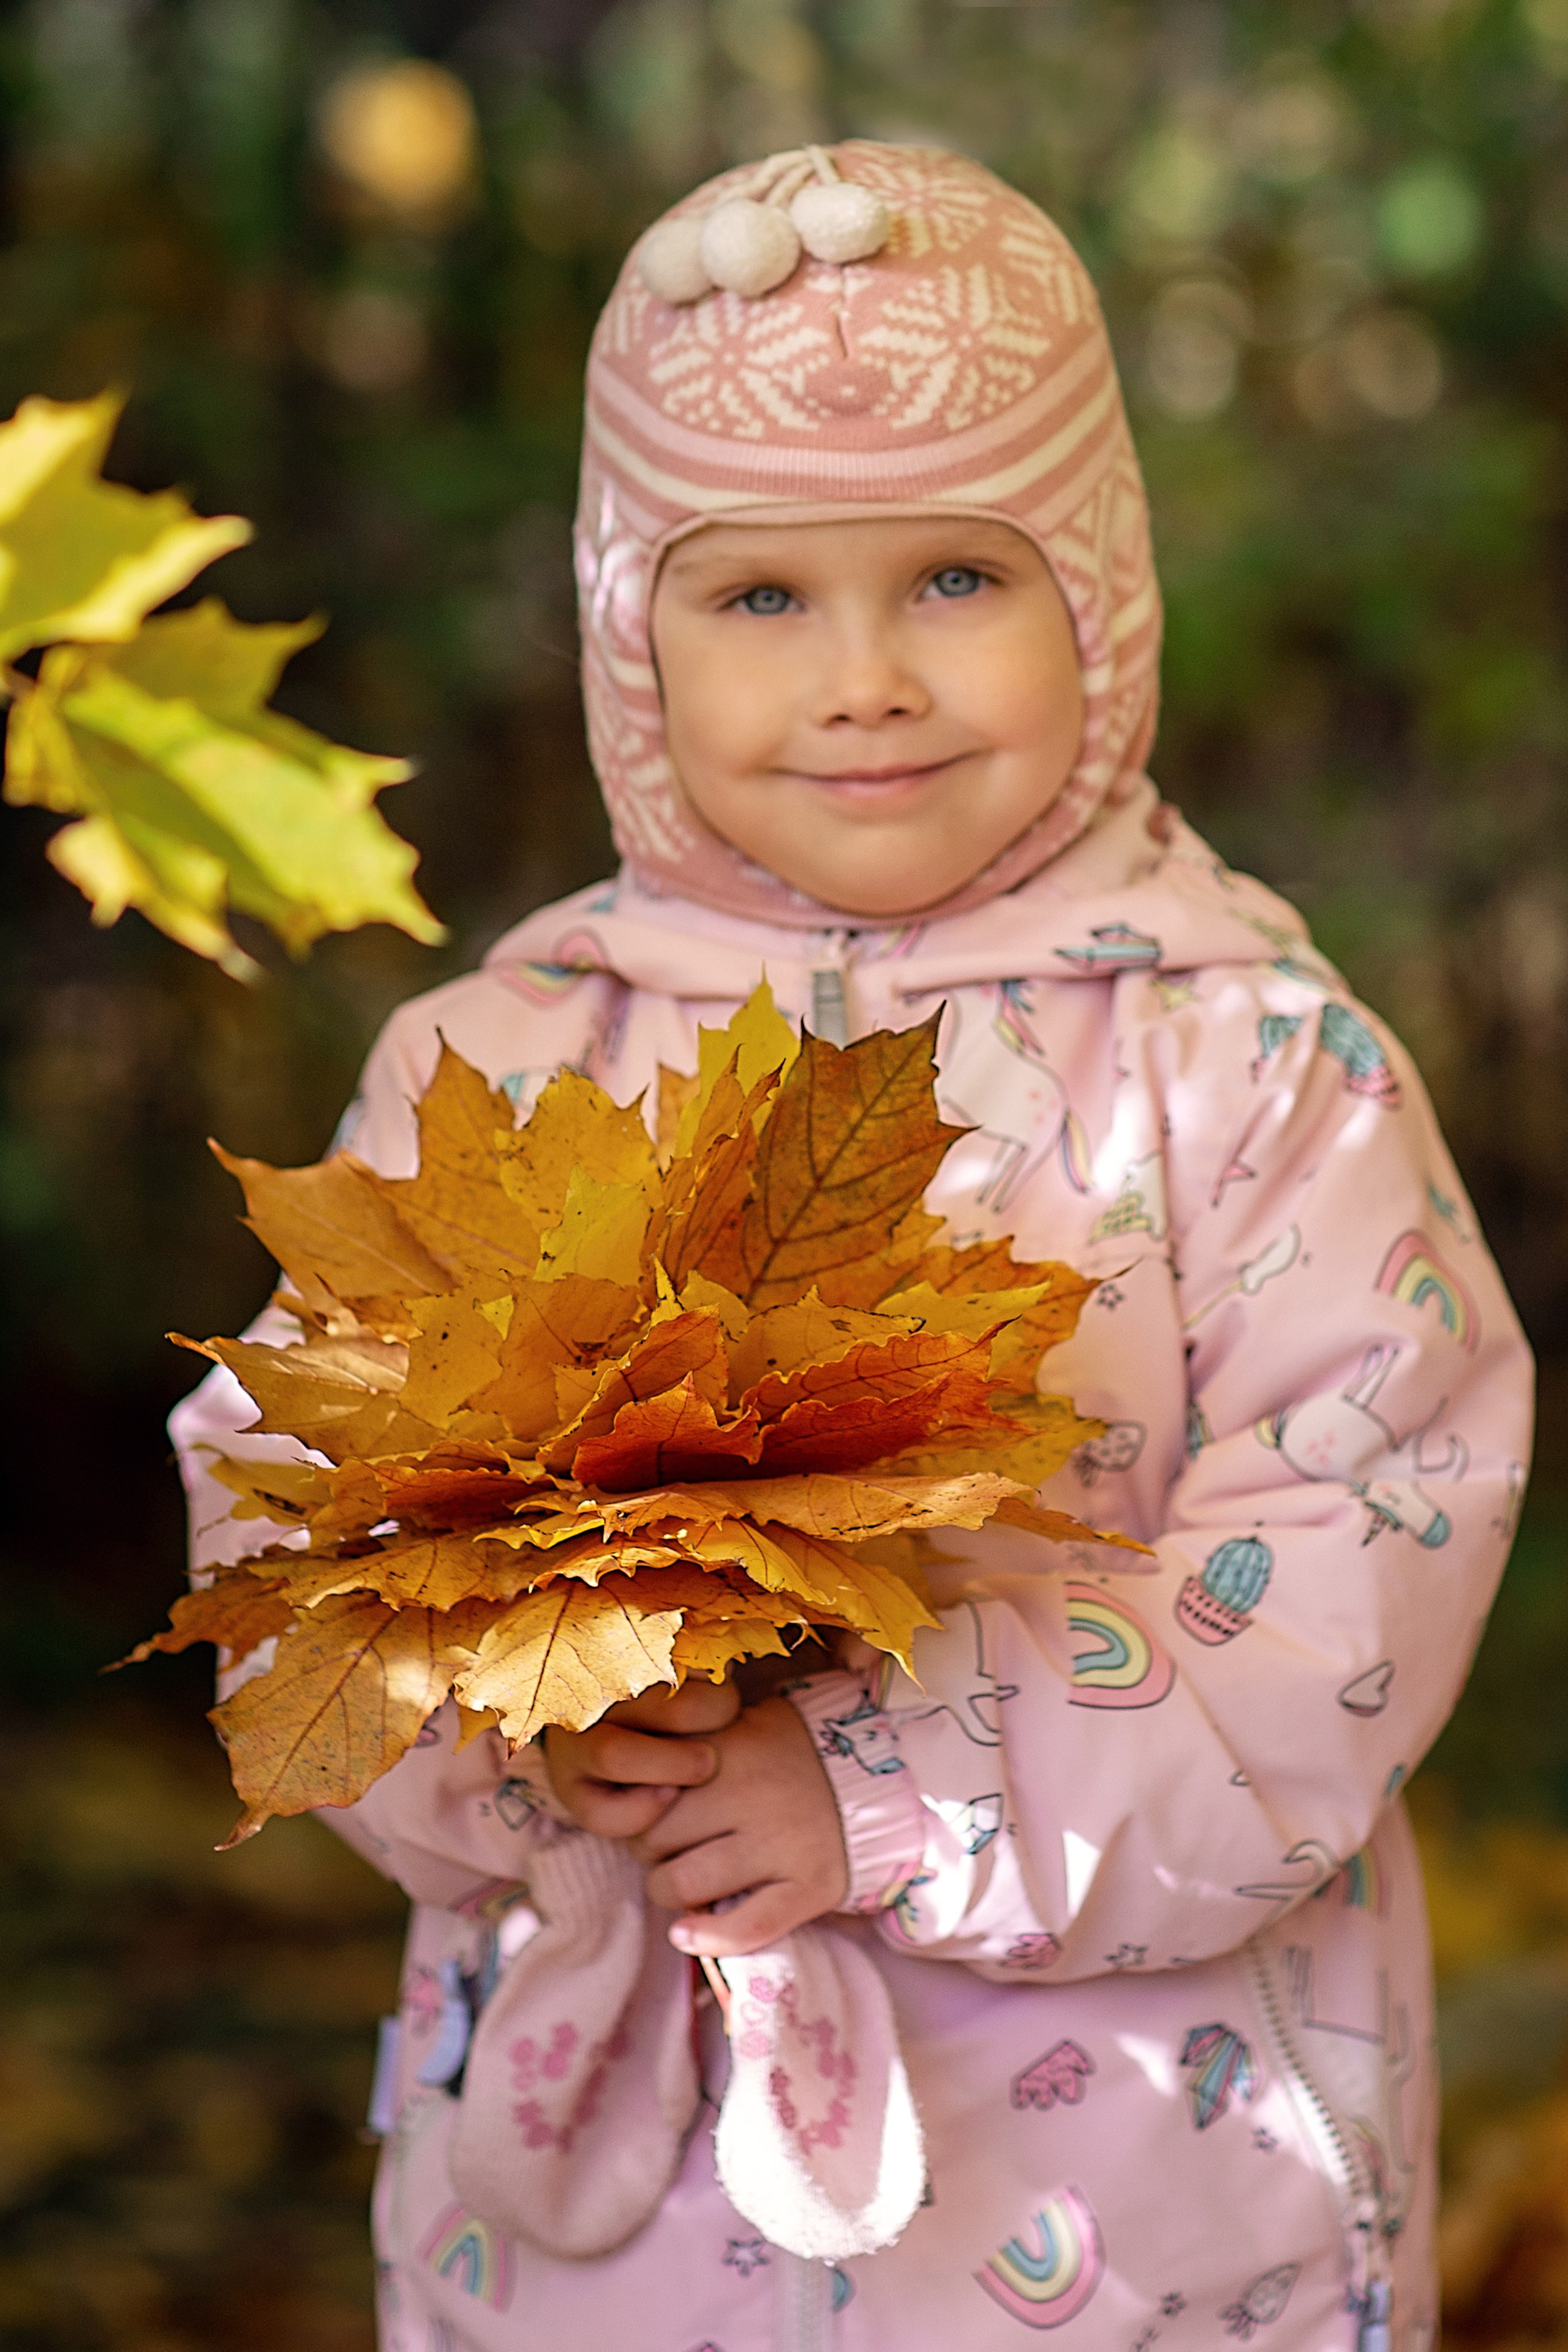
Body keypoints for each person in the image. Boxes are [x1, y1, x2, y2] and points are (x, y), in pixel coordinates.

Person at [172, 141, 1533, 2352]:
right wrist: (532, 1737)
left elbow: (1360, 1548)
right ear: (633, 631)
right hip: (616, 2223)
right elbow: (291, 1492)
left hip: (1130, 2207)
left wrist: (903, 1790)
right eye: (764, 598)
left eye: (958, 579)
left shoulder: (1252, 1067)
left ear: (1097, 584)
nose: (869, 679)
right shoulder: (504, 1059)